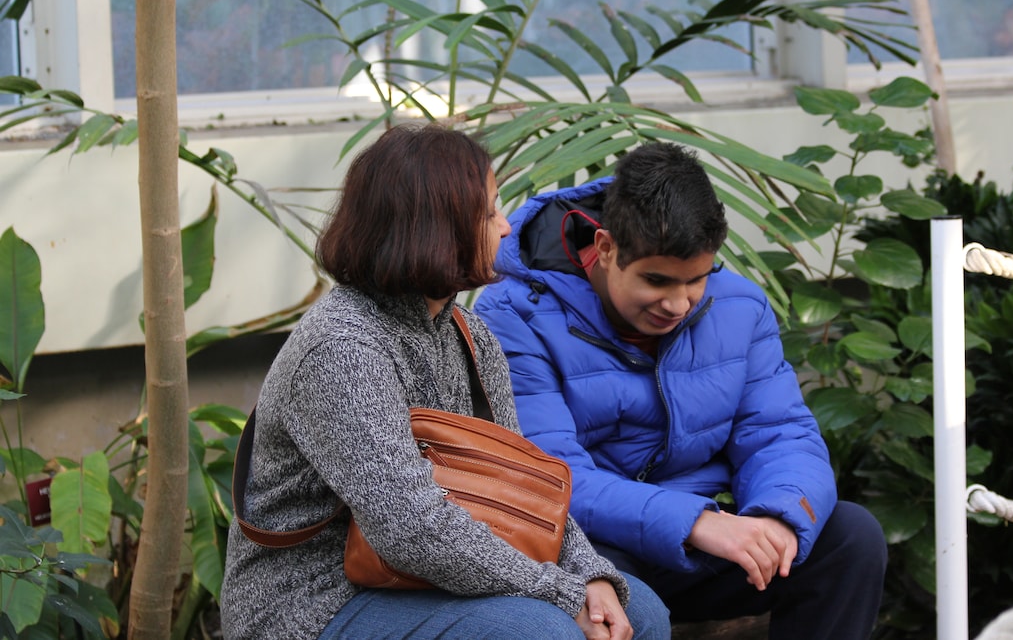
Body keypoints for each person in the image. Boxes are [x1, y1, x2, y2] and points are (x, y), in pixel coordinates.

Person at [221, 124, 671, 640]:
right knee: (537, 631)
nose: (505, 228)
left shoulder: (469, 333)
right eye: (488, 212)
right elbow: (409, 528)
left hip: (416, 577)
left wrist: (589, 574)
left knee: (643, 614)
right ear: (433, 229)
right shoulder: (342, 349)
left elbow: (522, 488)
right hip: (314, 600)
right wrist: (558, 591)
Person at [475, 142, 888, 639]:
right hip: (599, 546)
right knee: (603, 585)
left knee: (850, 537)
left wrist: (776, 520)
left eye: (697, 280)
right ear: (606, 249)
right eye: (657, 280)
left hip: (714, 536)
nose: (679, 303)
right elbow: (550, 474)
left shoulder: (740, 306)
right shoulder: (512, 315)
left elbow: (780, 433)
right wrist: (694, 522)